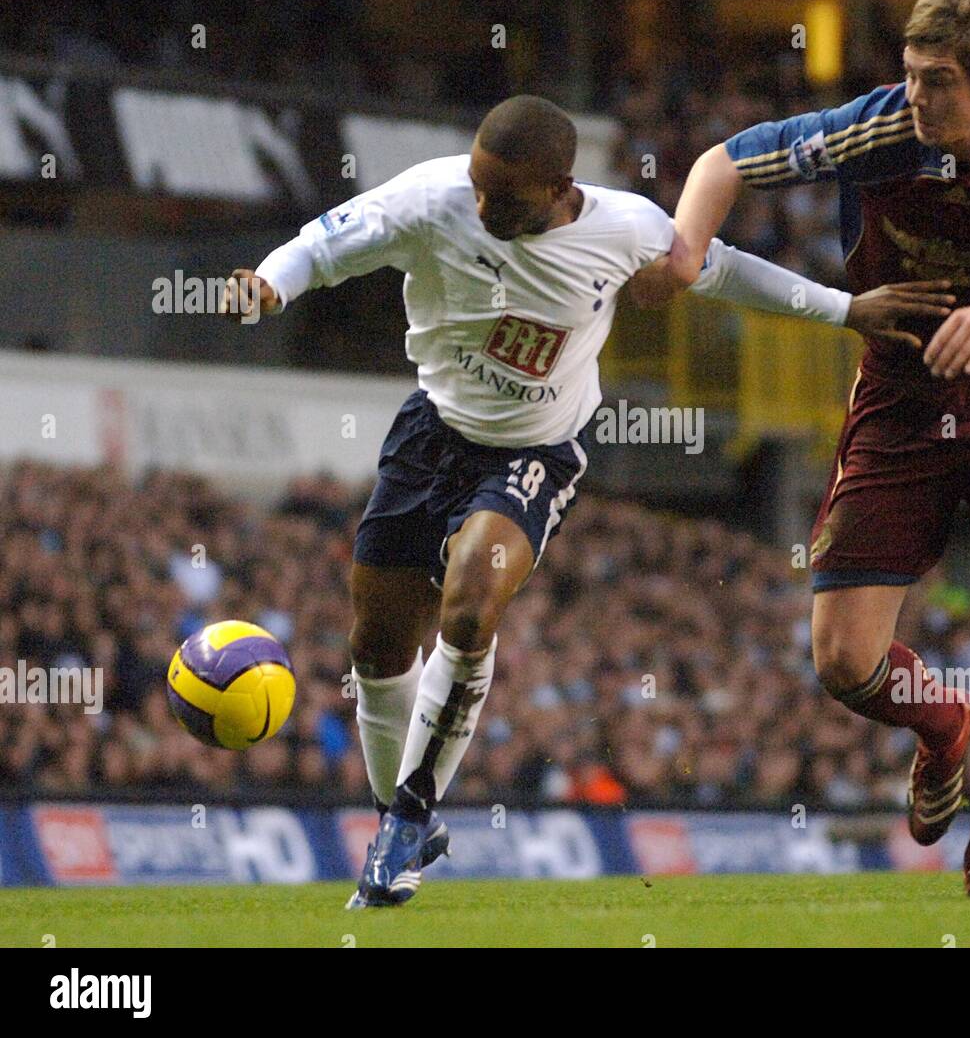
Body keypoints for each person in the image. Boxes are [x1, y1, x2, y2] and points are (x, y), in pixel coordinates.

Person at [222, 94, 885, 908]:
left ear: (560, 186)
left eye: (504, 196)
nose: (483, 205)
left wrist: (848, 310)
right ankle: (398, 807)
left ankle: (405, 820)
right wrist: (267, 285)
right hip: (432, 432)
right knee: (377, 645)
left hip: (537, 450)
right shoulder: (433, 200)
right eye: (478, 187)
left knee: (469, 604)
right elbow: (325, 244)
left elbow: (722, 270)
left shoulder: (626, 228)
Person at [635, 0, 970, 897]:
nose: (916, 96)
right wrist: (688, 249)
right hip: (898, 402)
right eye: (911, 73)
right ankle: (942, 730)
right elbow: (723, 163)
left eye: (938, 81)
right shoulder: (878, 128)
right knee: (843, 664)